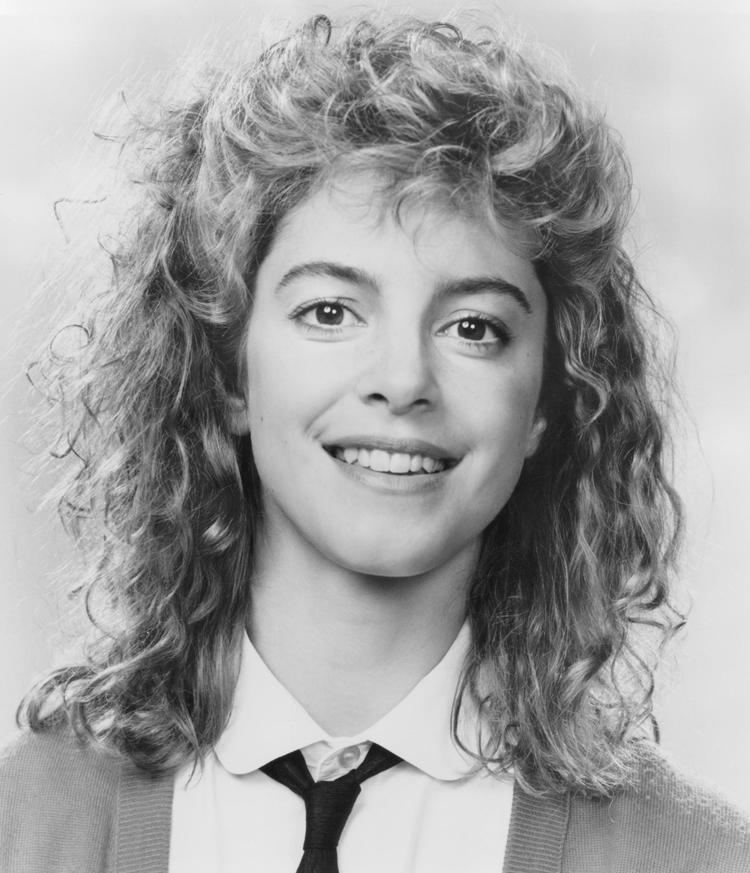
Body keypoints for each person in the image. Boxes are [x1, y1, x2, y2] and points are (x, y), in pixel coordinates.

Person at [1, 11, 748, 873]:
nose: (404, 380)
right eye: (330, 312)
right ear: (227, 370)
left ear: (550, 396)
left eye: (474, 326)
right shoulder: (26, 823)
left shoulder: (702, 858)